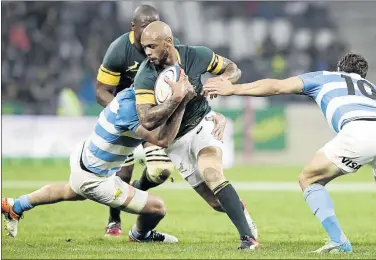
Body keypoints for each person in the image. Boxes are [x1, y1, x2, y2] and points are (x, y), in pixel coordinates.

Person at [203, 52, 376, 253]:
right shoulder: (373, 90)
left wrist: (234, 89)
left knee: (309, 179)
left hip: (357, 131)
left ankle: (339, 241)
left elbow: (276, 87)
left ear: (339, 69)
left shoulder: (326, 77)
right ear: (363, 75)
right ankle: (339, 240)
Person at [2, 71, 195, 243]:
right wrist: (180, 100)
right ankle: (140, 235)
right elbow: (162, 139)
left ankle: (15, 206)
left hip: (85, 160)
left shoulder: (129, 95)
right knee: (157, 208)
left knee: (70, 191)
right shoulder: (131, 111)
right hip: (95, 179)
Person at [133, 21, 259, 250]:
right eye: (145, 47)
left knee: (212, 172)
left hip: (203, 125)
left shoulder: (196, 55)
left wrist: (222, 81)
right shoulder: (145, 75)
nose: (147, 52)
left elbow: (233, 69)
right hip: (175, 142)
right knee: (216, 203)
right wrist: (176, 98)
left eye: (152, 46)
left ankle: (248, 240)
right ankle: (238, 208)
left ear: (168, 43)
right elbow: (147, 120)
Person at [95, 5, 181, 236]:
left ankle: (137, 190)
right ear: (133, 27)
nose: (151, 30)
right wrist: (121, 113)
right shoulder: (119, 50)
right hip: (128, 119)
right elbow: (102, 91)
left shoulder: (166, 45)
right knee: (123, 172)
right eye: (145, 26)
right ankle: (114, 220)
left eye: (155, 24)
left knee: (161, 172)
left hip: (153, 117)